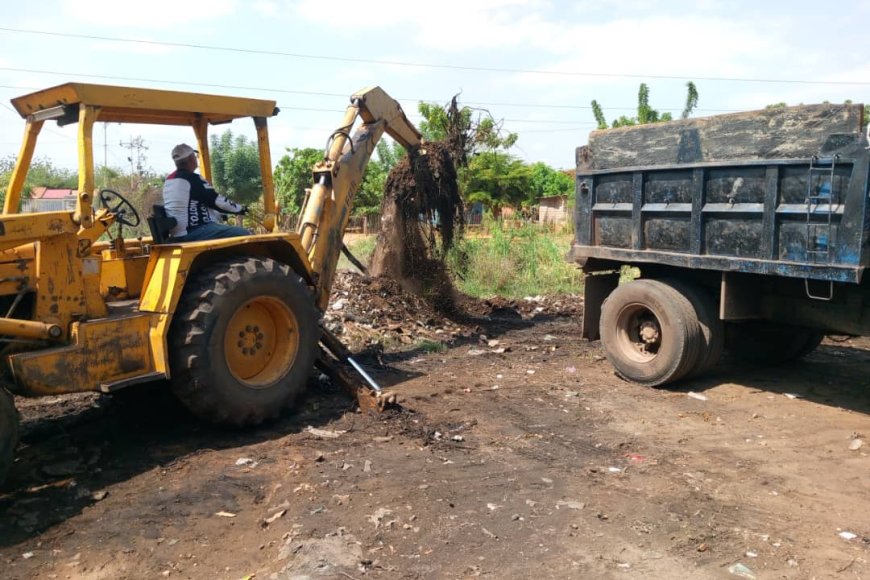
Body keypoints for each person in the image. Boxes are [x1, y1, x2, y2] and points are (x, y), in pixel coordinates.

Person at [162, 143, 250, 241]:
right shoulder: (193, 179)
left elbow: (191, 205)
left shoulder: (169, 181)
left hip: (177, 234)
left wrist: (220, 214)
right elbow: (216, 201)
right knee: (243, 233)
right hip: (193, 232)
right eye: (195, 156)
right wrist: (240, 209)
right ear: (191, 159)